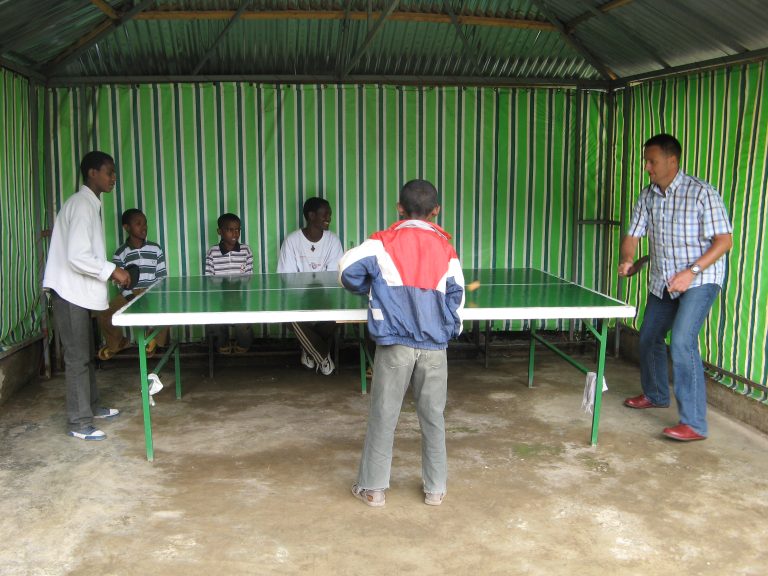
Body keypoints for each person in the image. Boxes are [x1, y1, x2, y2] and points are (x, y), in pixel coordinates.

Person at [339, 179, 465, 507]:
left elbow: (346, 270)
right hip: (435, 346)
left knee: (384, 413)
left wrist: (374, 288)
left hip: (395, 344)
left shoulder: (382, 242)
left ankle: (374, 489)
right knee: (433, 416)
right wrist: (446, 332)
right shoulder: (447, 249)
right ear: (436, 211)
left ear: (399, 207)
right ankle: (435, 489)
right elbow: (457, 297)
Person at [618, 133, 733, 442]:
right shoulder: (648, 195)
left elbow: (724, 242)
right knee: (649, 337)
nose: (647, 167)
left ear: (672, 160)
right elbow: (632, 234)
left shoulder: (702, 193)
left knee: (682, 341)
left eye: (651, 161)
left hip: (700, 280)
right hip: (663, 281)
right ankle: (656, 394)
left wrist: (691, 271)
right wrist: (628, 258)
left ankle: (694, 424)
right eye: (646, 161)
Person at [43, 151, 131, 441]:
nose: (113, 178)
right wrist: (113, 271)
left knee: (86, 355)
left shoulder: (88, 205)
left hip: (79, 294)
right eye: (108, 172)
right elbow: (78, 257)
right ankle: (79, 423)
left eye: (114, 172)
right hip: (69, 294)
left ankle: (91, 407)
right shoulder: (81, 205)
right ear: (92, 173)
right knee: (78, 358)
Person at [277, 197, 344, 375]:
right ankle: (322, 356)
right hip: (299, 300)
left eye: (330, 214)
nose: (329, 217)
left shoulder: (333, 241)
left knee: (338, 316)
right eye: (325, 214)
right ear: (311, 215)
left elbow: (332, 277)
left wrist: (321, 297)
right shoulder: (292, 241)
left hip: (326, 299)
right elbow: (287, 278)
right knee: (289, 318)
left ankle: (309, 350)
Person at [97, 208, 169, 360]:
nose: (144, 227)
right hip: (129, 294)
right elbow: (119, 282)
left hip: (151, 292)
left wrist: (152, 294)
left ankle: (153, 340)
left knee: (168, 310)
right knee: (104, 314)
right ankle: (119, 343)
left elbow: (162, 277)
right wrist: (130, 297)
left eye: (145, 223)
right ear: (126, 228)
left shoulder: (155, 248)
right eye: (138, 224)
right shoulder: (120, 253)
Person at [205, 212, 254, 354]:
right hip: (220, 298)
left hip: (240, 298)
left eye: (238, 229)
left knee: (243, 325)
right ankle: (223, 342)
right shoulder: (212, 252)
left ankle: (244, 343)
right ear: (219, 231)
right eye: (229, 229)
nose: (235, 233)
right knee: (216, 323)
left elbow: (249, 277)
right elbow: (209, 279)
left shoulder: (246, 250)